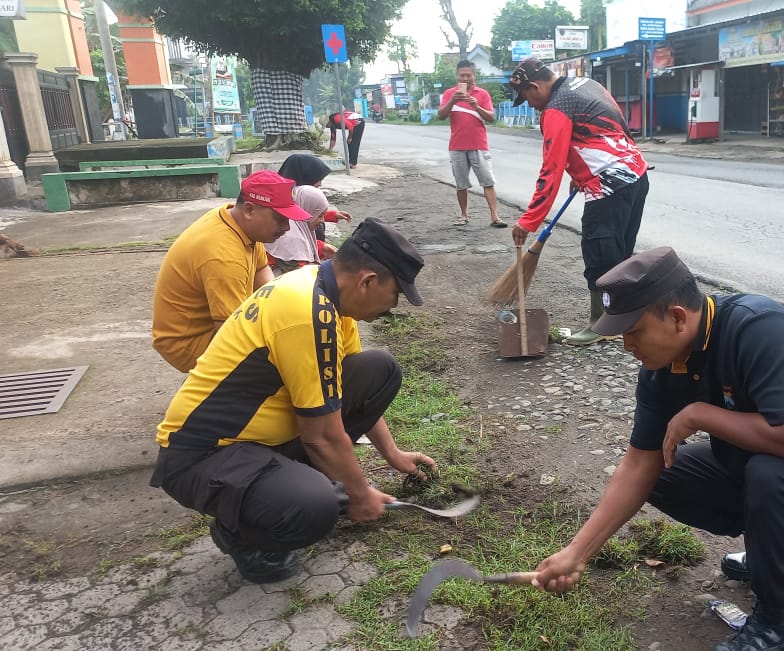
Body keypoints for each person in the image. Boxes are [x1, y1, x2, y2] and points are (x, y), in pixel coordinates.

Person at [531, 247, 784, 651]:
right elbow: (640, 463)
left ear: (677, 317)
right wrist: (577, 553)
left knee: (772, 473)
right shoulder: (662, 367)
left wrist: (699, 414)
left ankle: (779, 629)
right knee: (666, 470)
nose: (627, 346)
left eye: (634, 331)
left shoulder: (759, 327)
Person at [149, 218, 438, 584]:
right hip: (202, 455)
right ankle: (241, 535)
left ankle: (287, 483)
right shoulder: (306, 312)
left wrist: (393, 454)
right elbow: (322, 436)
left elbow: (337, 392)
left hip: (259, 440)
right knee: (316, 506)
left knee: (378, 370)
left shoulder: (329, 296)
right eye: (396, 294)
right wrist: (359, 493)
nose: (393, 305)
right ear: (368, 281)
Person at [507, 58, 651, 346]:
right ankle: (626, 317)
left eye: (526, 98)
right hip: (636, 173)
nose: (531, 105)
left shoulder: (555, 109)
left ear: (534, 86)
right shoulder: (586, 84)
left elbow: (550, 171)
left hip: (608, 186)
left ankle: (599, 326)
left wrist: (529, 220)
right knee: (620, 252)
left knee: (598, 254)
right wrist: (581, 170)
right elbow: (611, 125)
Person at [152, 170, 313, 373]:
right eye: (280, 219)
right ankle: (214, 389)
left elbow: (262, 273)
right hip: (187, 341)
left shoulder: (237, 222)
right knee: (282, 365)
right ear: (249, 210)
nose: (287, 227)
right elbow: (231, 333)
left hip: (213, 325)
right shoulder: (224, 256)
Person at [437, 60, 505, 228]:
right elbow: (441, 115)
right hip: (457, 146)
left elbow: (491, 117)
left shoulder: (482, 94)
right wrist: (452, 100)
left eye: (469, 75)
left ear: (474, 75)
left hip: (479, 145)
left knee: (488, 181)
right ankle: (464, 215)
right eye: (462, 75)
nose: (466, 78)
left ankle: (495, 216)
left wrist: (476, 106)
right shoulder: (449, 94)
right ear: (457, 75)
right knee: (461, 183)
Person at [264, 185, 343, 276]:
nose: (322, 221)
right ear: (307, 212)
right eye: (320, 215)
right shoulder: (290, 238)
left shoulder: (293, 226)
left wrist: (321, 247)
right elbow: (304, 276)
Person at [278, 153, 351, 243]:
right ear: (304, 177)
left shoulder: (295, 199)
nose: (320, 184)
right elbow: (295, 244)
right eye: (317, 179)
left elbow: (306, 217)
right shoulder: (283, 215)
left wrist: (331, 215)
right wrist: (320, 248)